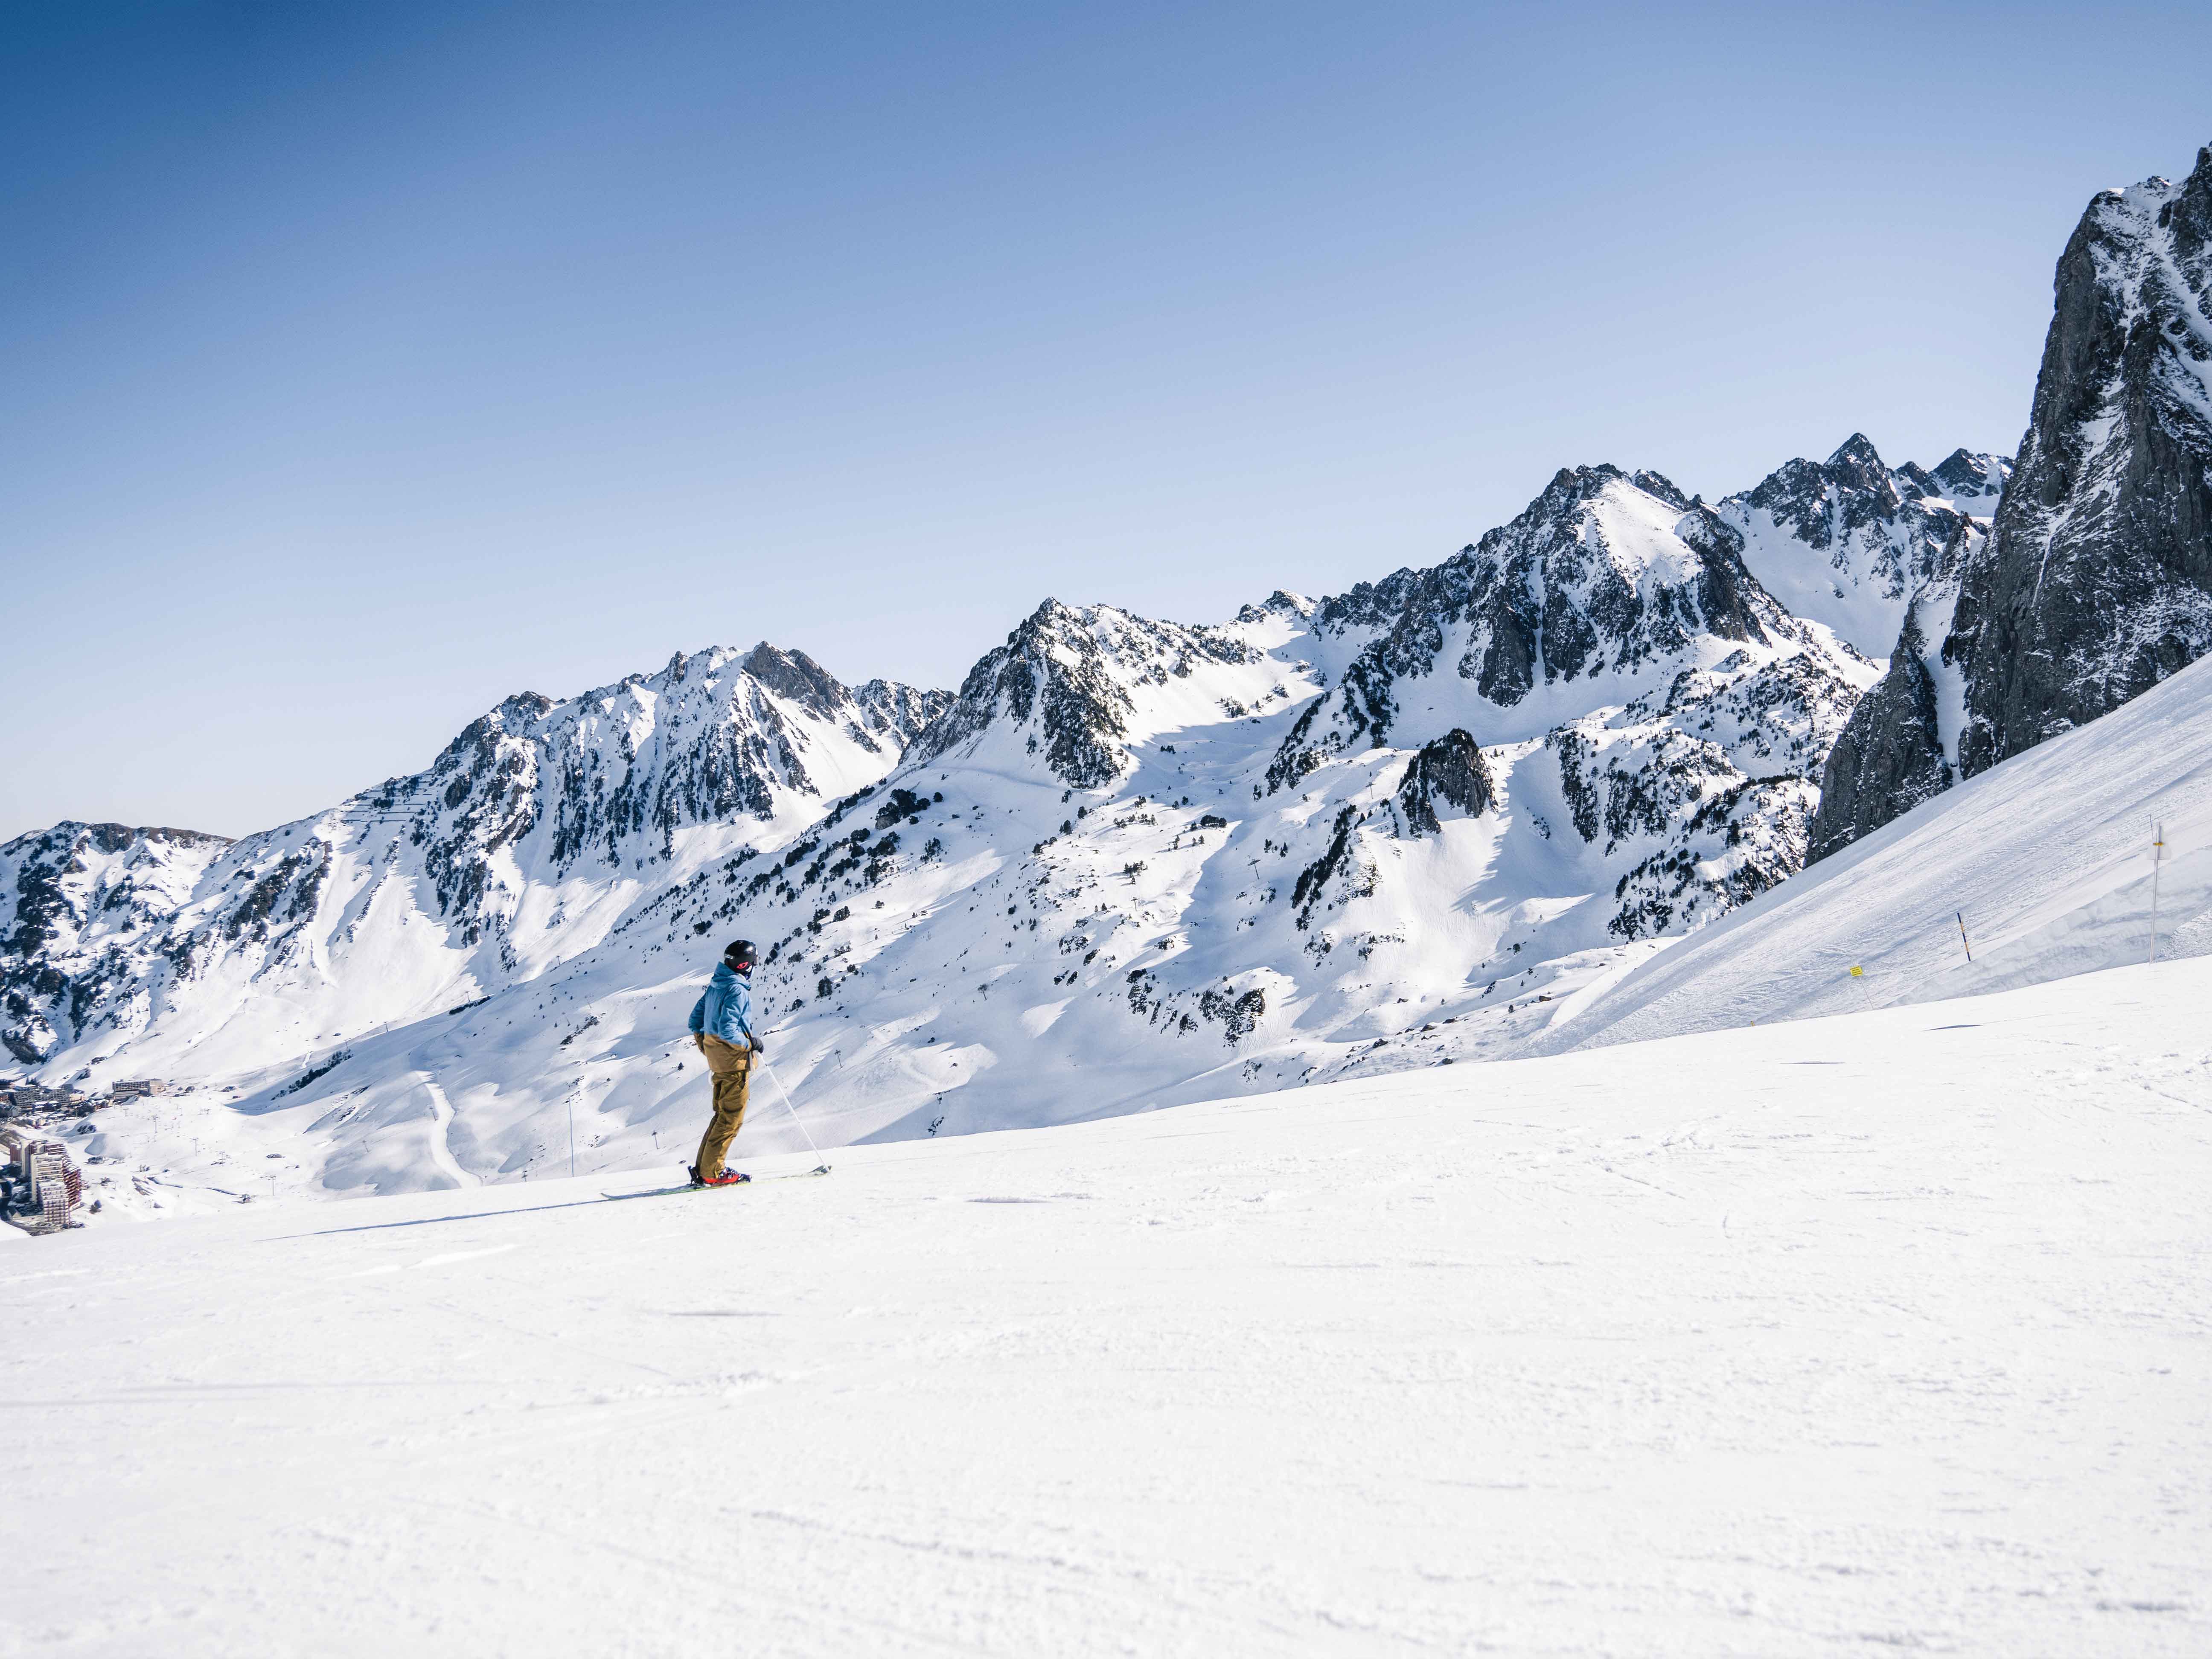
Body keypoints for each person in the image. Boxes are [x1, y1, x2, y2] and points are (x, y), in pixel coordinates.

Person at [687, 938, 763, 1186]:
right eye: (754, 962)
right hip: (733, 1063)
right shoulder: (737, 989)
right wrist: (750, 1044)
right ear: (745, 966)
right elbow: (728, 1029)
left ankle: (705, 1169)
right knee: (731, 1119)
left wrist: (707, 1046)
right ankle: (712, 1173)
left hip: (719, 1061)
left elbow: (695, 1020)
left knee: (722, 1115)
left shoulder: (717, 986)